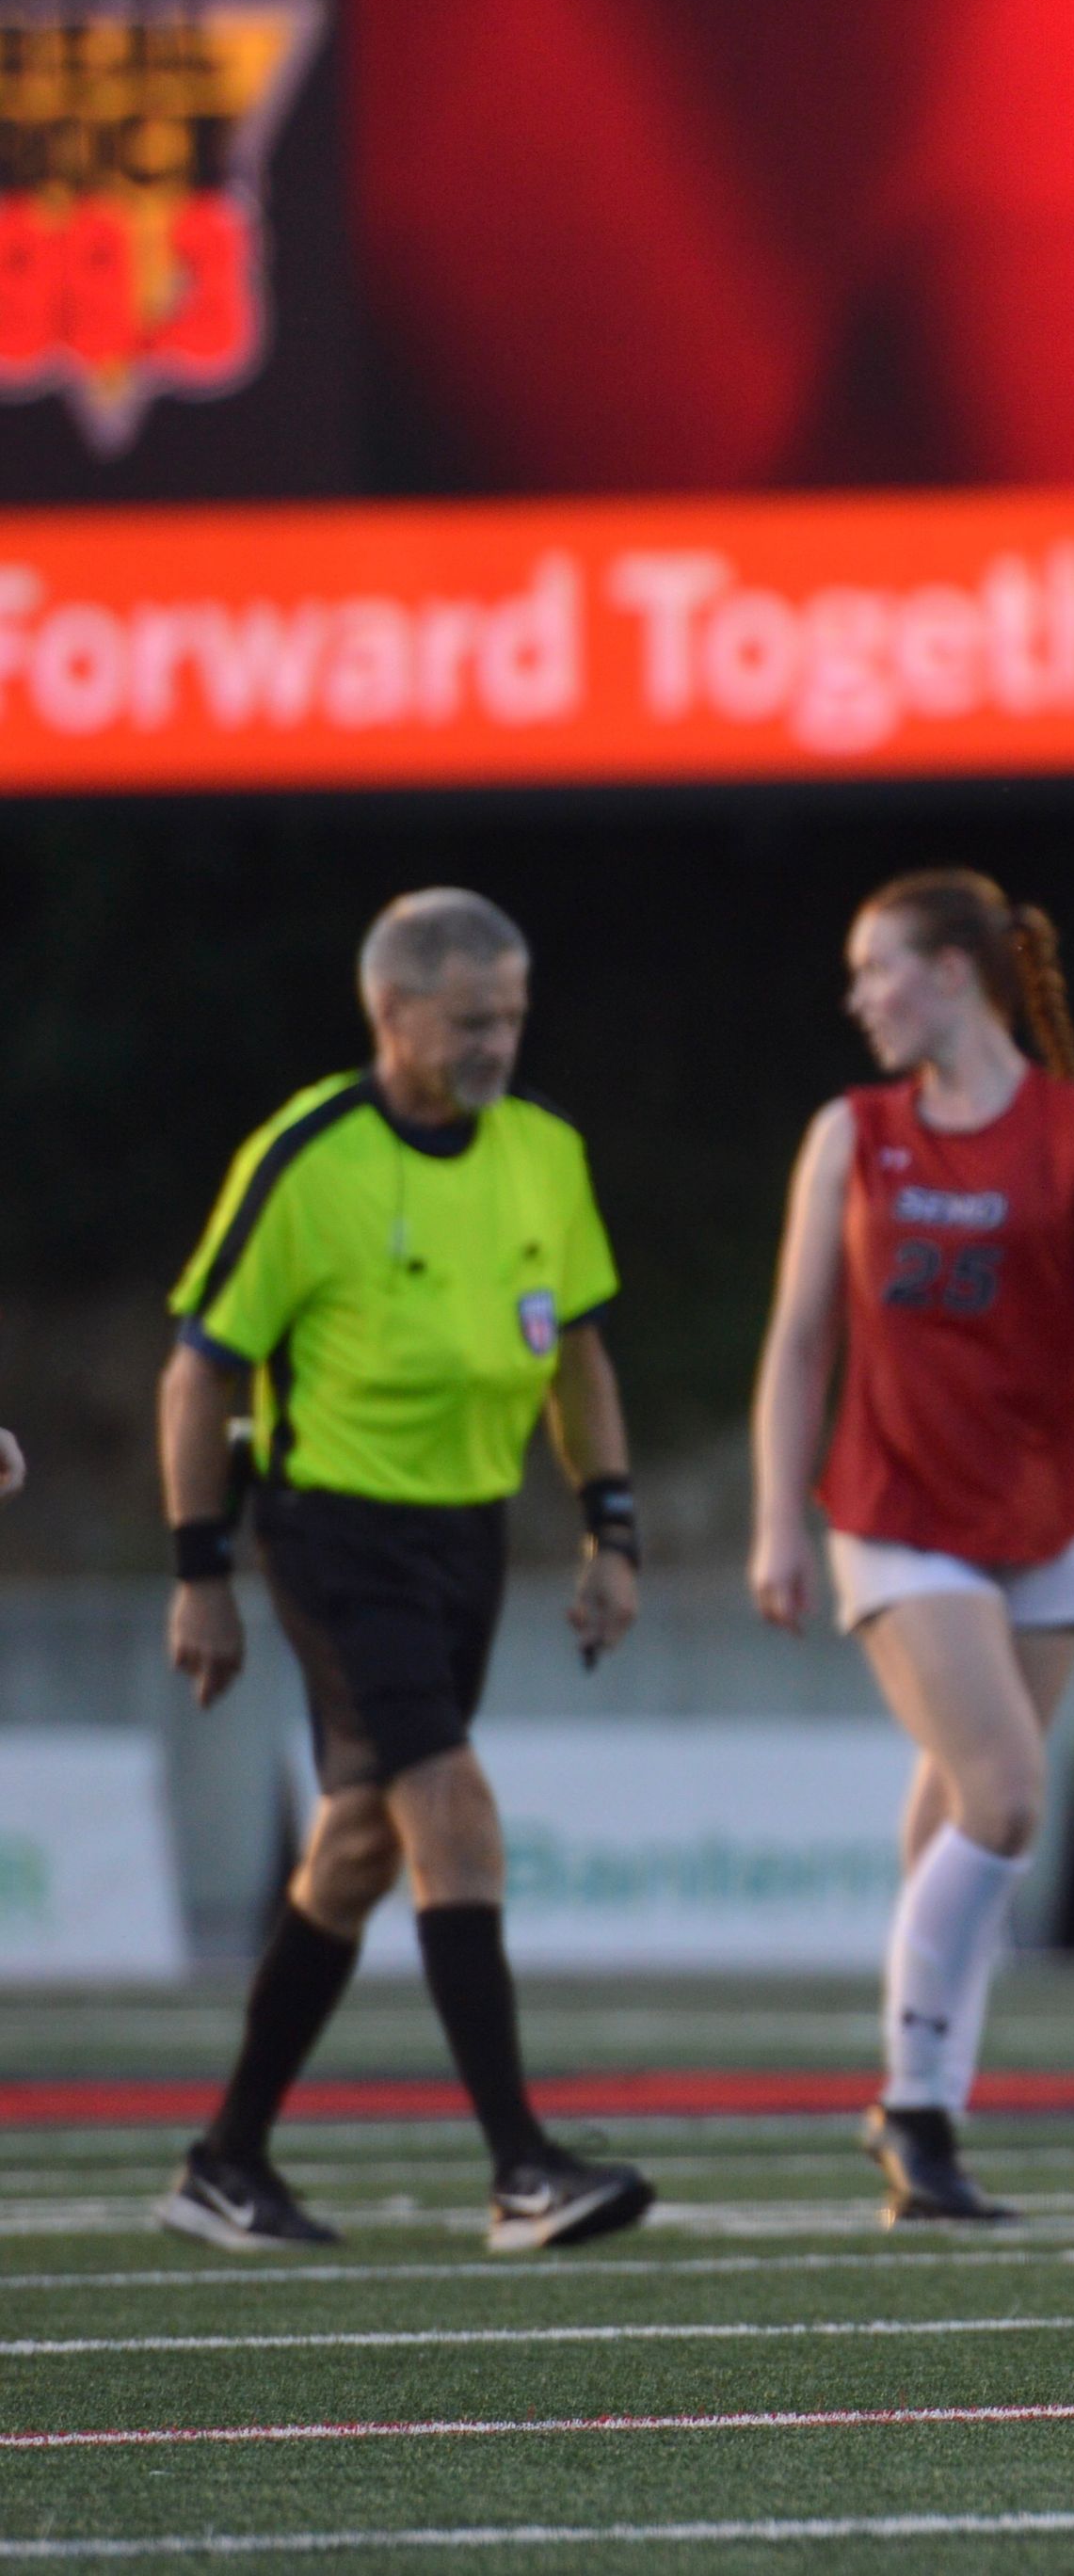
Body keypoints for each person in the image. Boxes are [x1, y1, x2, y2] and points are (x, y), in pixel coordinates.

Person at [155, 891, 652, 2256]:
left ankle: (226, 2158)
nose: (499, 1039)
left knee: (363, 1844)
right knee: (450, 1801)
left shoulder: (546, 1150)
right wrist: (198, 1569)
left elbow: (581, 1355)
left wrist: (611, 1531)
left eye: (513, 1011)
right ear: (393, 1014)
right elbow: (198, 1372)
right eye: (471, 1016)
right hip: (332, 1528)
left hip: (467, 1533)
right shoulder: (311, 1158)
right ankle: (521, 2168)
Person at [748, 871, 1074, 2224]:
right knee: (1004, 1798)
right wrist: (778, 1516)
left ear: (952, 973)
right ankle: (913, 2109)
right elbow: (801, 1343)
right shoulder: (854, 1133)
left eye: (875, 970)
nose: (858, 999)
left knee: (961, 1800)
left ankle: (922, 2107)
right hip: (895, 1512)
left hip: (1050, 1518)